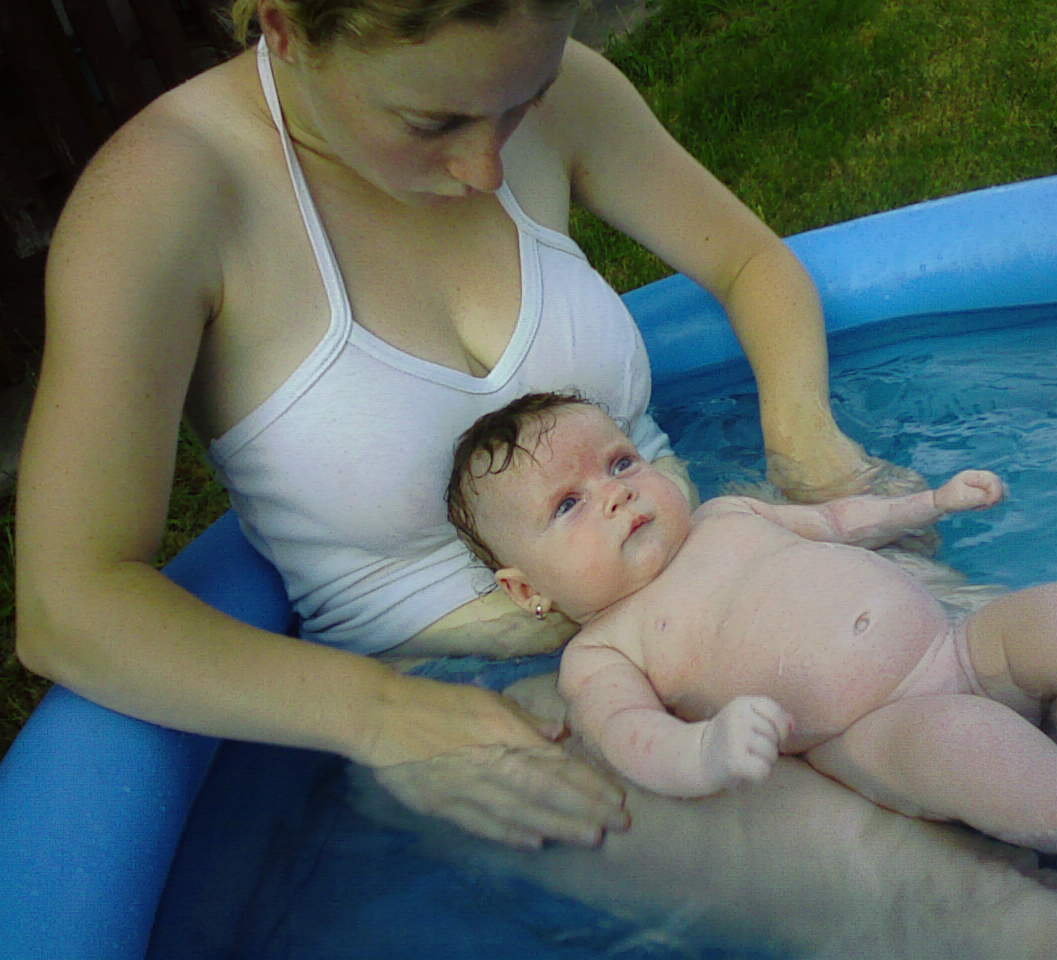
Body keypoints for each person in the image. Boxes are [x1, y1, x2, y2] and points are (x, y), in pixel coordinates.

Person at [15, 0, 896, 852]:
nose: (484, 169)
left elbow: (748, 260)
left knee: (998, 696)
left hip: (724, 568)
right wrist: (381, 717)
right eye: (431, 122)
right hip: (502, 705)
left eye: (522, 106)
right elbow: (68, 603)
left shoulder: (546, 76)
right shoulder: (167, 199)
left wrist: (801, 435)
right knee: (930, 891)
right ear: (285, 28)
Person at [446, 391, 1057, 896]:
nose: (616, 495)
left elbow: (841, 521)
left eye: (621, 462)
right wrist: (707, 751)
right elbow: (631, 739)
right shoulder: (602, 652)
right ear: (528, 588)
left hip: (959, 645)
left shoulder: (725, 516)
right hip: (881, 729)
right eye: (568, 506)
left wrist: (933, 505)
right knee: (973, 743)